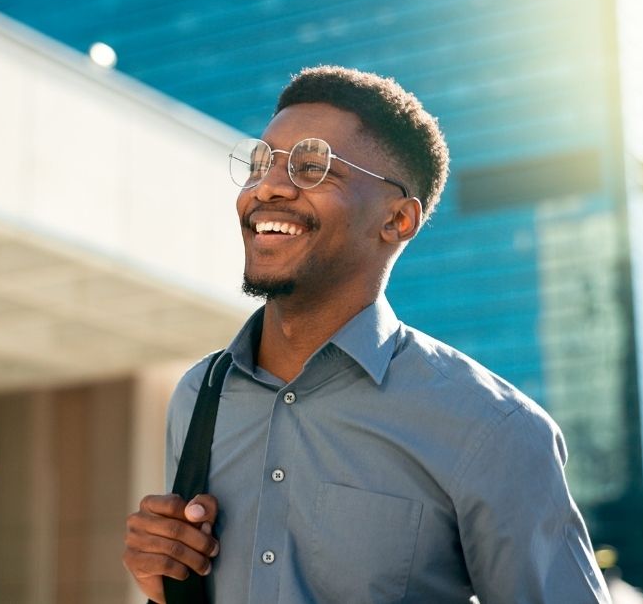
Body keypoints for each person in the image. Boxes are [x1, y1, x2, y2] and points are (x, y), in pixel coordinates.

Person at [123, 66, 610, 603]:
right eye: (261, 164)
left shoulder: (495, 431)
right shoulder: (199, 395)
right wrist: (164, 586)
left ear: (398, 220)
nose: (268, 188)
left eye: (312, 167)